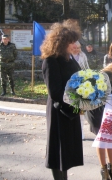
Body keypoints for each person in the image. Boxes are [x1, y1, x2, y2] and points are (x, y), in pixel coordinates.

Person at [41, 19, 83, 180]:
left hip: (71, 109)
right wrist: (74, 108)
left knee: (67, 151)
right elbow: (56, 92)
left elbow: (79, 80)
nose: (75, 45)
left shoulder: (69, 58)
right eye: (71, 42)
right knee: (58, 151)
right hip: (60, 111)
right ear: (60, 43)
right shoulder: (51, 60)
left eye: (75, 41)